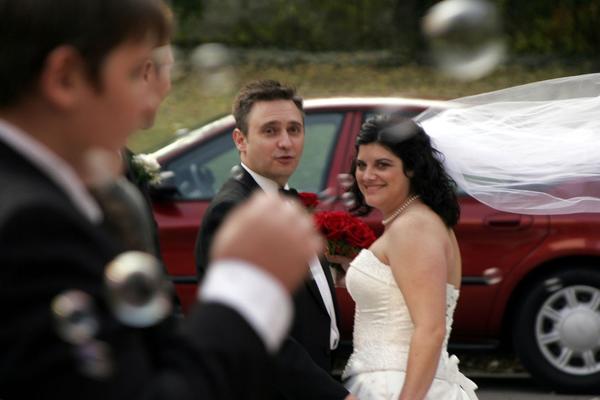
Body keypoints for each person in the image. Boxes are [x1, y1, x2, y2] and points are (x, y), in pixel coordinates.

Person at [0, 1, 321, 398]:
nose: (160, 87)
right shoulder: (30, 227)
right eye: (137, 71)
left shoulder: (48, 201)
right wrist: (243, 289)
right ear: (65, 79)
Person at [195, 80, 353, 400]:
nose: (286, 142)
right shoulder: (234, 212)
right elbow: (258, 332)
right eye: (270, 131)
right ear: (240, 140)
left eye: (294, 130)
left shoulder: (284, 200)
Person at [341, 115, 478, 399]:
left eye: (382, 165)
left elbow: (430, 329)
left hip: (400, 385)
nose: (367, 175)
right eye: (362, 165)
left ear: (412, 169)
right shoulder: (412, 221)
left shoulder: (413, 227)